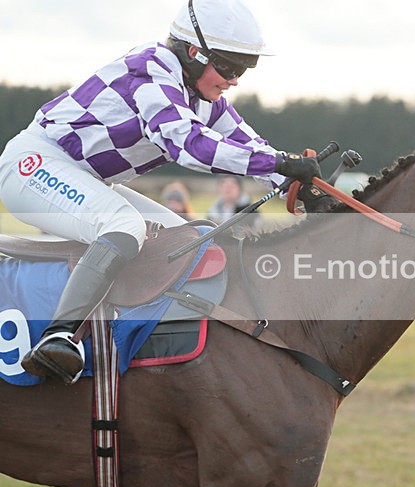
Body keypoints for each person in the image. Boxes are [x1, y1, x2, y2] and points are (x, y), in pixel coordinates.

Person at [0, 0, 335, 384]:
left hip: (86, 178)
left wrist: (300, 187)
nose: (236, 80)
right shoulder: (152, 71)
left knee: (188, 241)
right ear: (194, 53)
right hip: (34, 166)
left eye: (244, 69)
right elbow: (190, 146)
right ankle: (59, 337)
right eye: (230, 67)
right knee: (123, 225)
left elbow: (250, 145)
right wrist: (279, 164)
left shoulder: (200, 96)